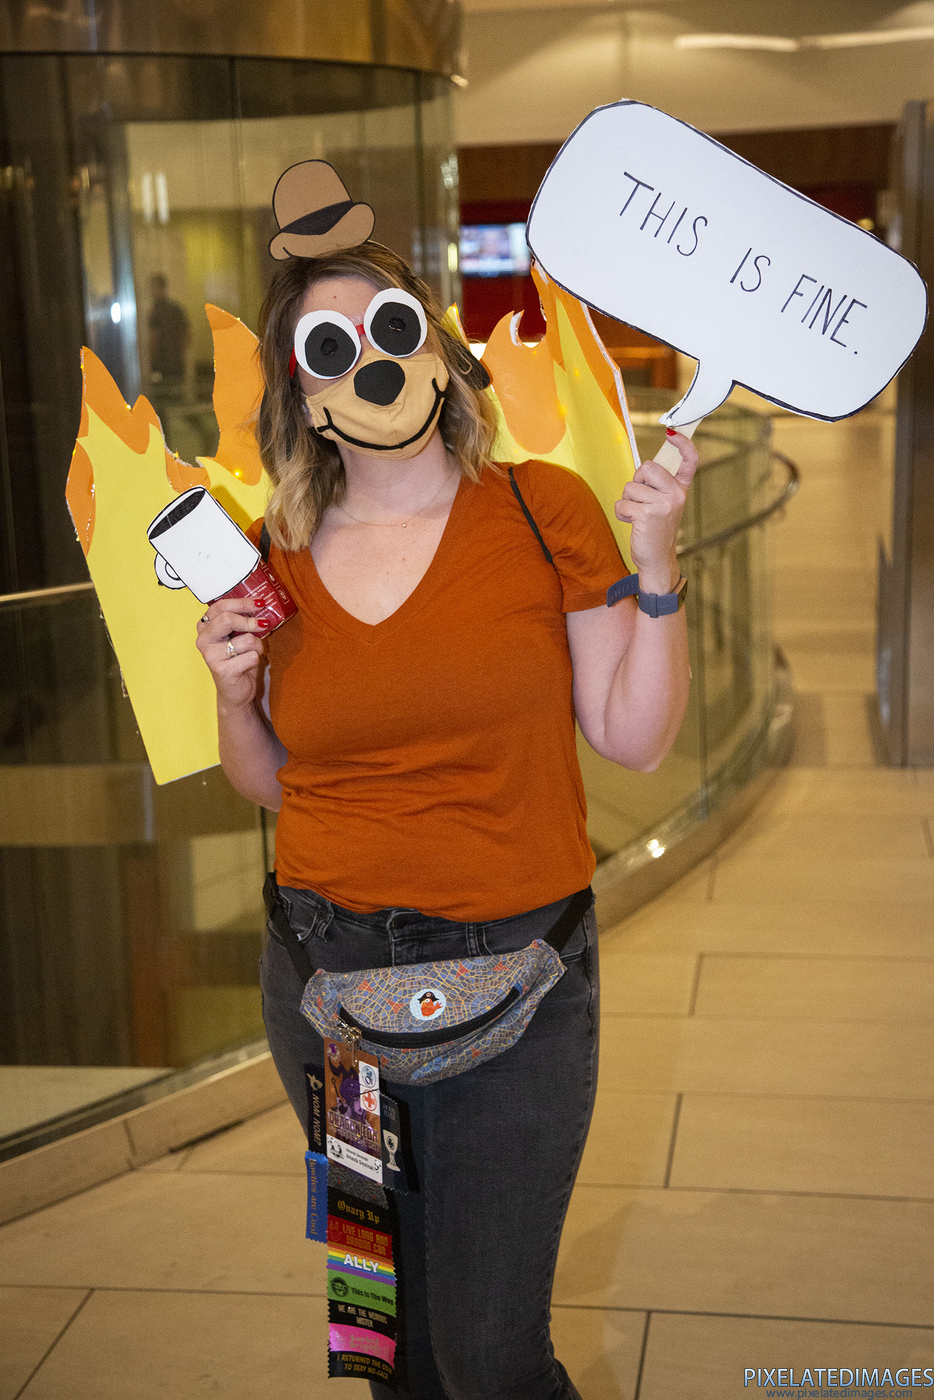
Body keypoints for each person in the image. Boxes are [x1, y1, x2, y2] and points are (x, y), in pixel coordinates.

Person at [196, 234, 696, 1399]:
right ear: (301, 397)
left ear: (437, 347)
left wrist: (658, 563)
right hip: (325, 998)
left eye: (391, 328)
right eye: (329, 350)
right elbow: (273, 780)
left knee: (490, 1355)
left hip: (514, 984)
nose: (370, 366)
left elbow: (633, 735)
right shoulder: (276, 553)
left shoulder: (539, 507)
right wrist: (231, 693)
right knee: (384, 1337)